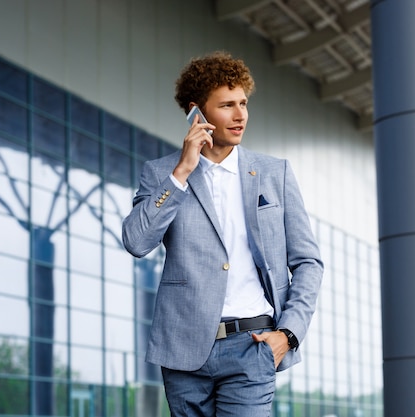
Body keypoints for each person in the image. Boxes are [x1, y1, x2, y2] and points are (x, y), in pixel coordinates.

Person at [122, 51, 323, 417]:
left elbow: (308, 261)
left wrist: (289, 334)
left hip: (253, 345)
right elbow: (137, 242)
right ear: (196, 112)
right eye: (227, 105)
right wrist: (181, 172)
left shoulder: (273, 173)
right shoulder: (161, 173)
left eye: (243, 103)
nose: (240, 115)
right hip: (184, 352)